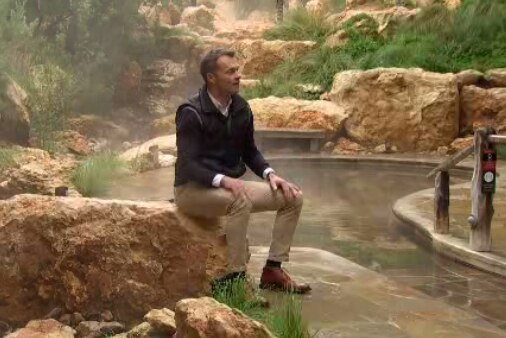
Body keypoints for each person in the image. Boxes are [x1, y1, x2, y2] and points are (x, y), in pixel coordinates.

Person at [174, 48, 311, 294]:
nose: (238, 76)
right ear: (211, 78)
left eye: (238, 70)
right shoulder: (191, 112)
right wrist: (223, 180)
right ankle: (235, 278)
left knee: (293, 197)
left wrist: (271, 174)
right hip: (191, 191)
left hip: (227, 189)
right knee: (240, 200)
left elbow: (249, 151)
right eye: (231, 71)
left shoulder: (241, 107)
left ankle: (272, 270)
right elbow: (188, 164)